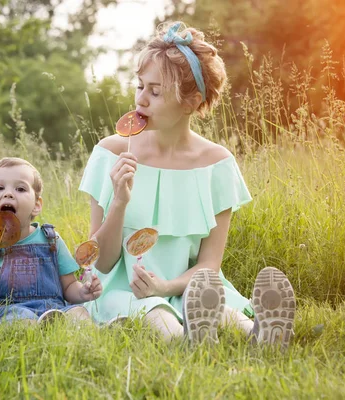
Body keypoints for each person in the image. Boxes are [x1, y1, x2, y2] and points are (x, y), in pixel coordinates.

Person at [79, 22, 296, 345]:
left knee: (221, 308)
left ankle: (262, 336)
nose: (141, 100)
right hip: (124, 290)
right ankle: (192, 341)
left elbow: (209, 265)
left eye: (155, 91)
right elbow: (104, 262)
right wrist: (120, 202)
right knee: (160, 318)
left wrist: (166, 287)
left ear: (191, 103)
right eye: (140, 86)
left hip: (189, 287)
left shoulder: (216, 164)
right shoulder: (110, 153)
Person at [0, 157, 102, 324]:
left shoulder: (52, 241)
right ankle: (36, 330)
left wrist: (82, 293)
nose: (8, 193)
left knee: (79, 313)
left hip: (55, 309)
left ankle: (100, 330)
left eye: (20, 189)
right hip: (10, 312)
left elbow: (69, 286)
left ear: (37, 205)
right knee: (22, 320)